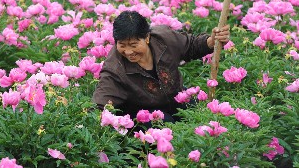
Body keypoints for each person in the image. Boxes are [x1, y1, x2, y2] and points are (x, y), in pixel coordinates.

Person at [93, 10, 230, 123]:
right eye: (122, 46)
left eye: (134, 45)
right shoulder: (115, 67)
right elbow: (102, 101)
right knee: (165, 123)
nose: (128, 52)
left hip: (175, 97)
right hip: (144, 114)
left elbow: (190, 46)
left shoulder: (164, 39)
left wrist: (212, 41)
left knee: (198, 114)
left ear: (147, 38)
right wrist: (94, 118)